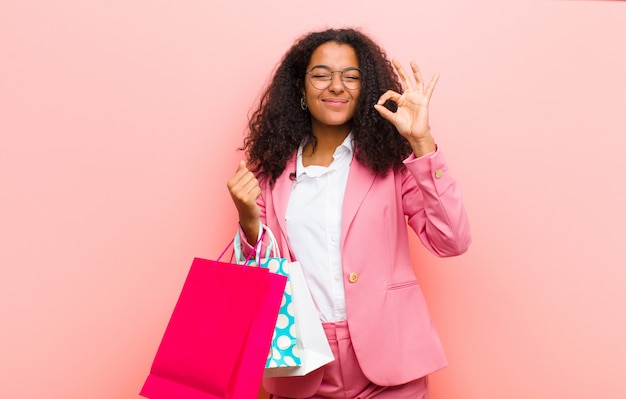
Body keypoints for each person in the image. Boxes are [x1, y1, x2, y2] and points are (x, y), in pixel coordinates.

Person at [226, 27, 471, 399]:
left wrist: (422, 142)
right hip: (303, 365)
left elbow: (451, 241)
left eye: (351, 76)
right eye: (322, 74)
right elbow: (259, 280)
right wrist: (247, 218)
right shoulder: (269, 174)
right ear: (301, 88)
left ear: (365, 90)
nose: (336, 86)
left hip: (390, 363)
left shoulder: (392, 165)